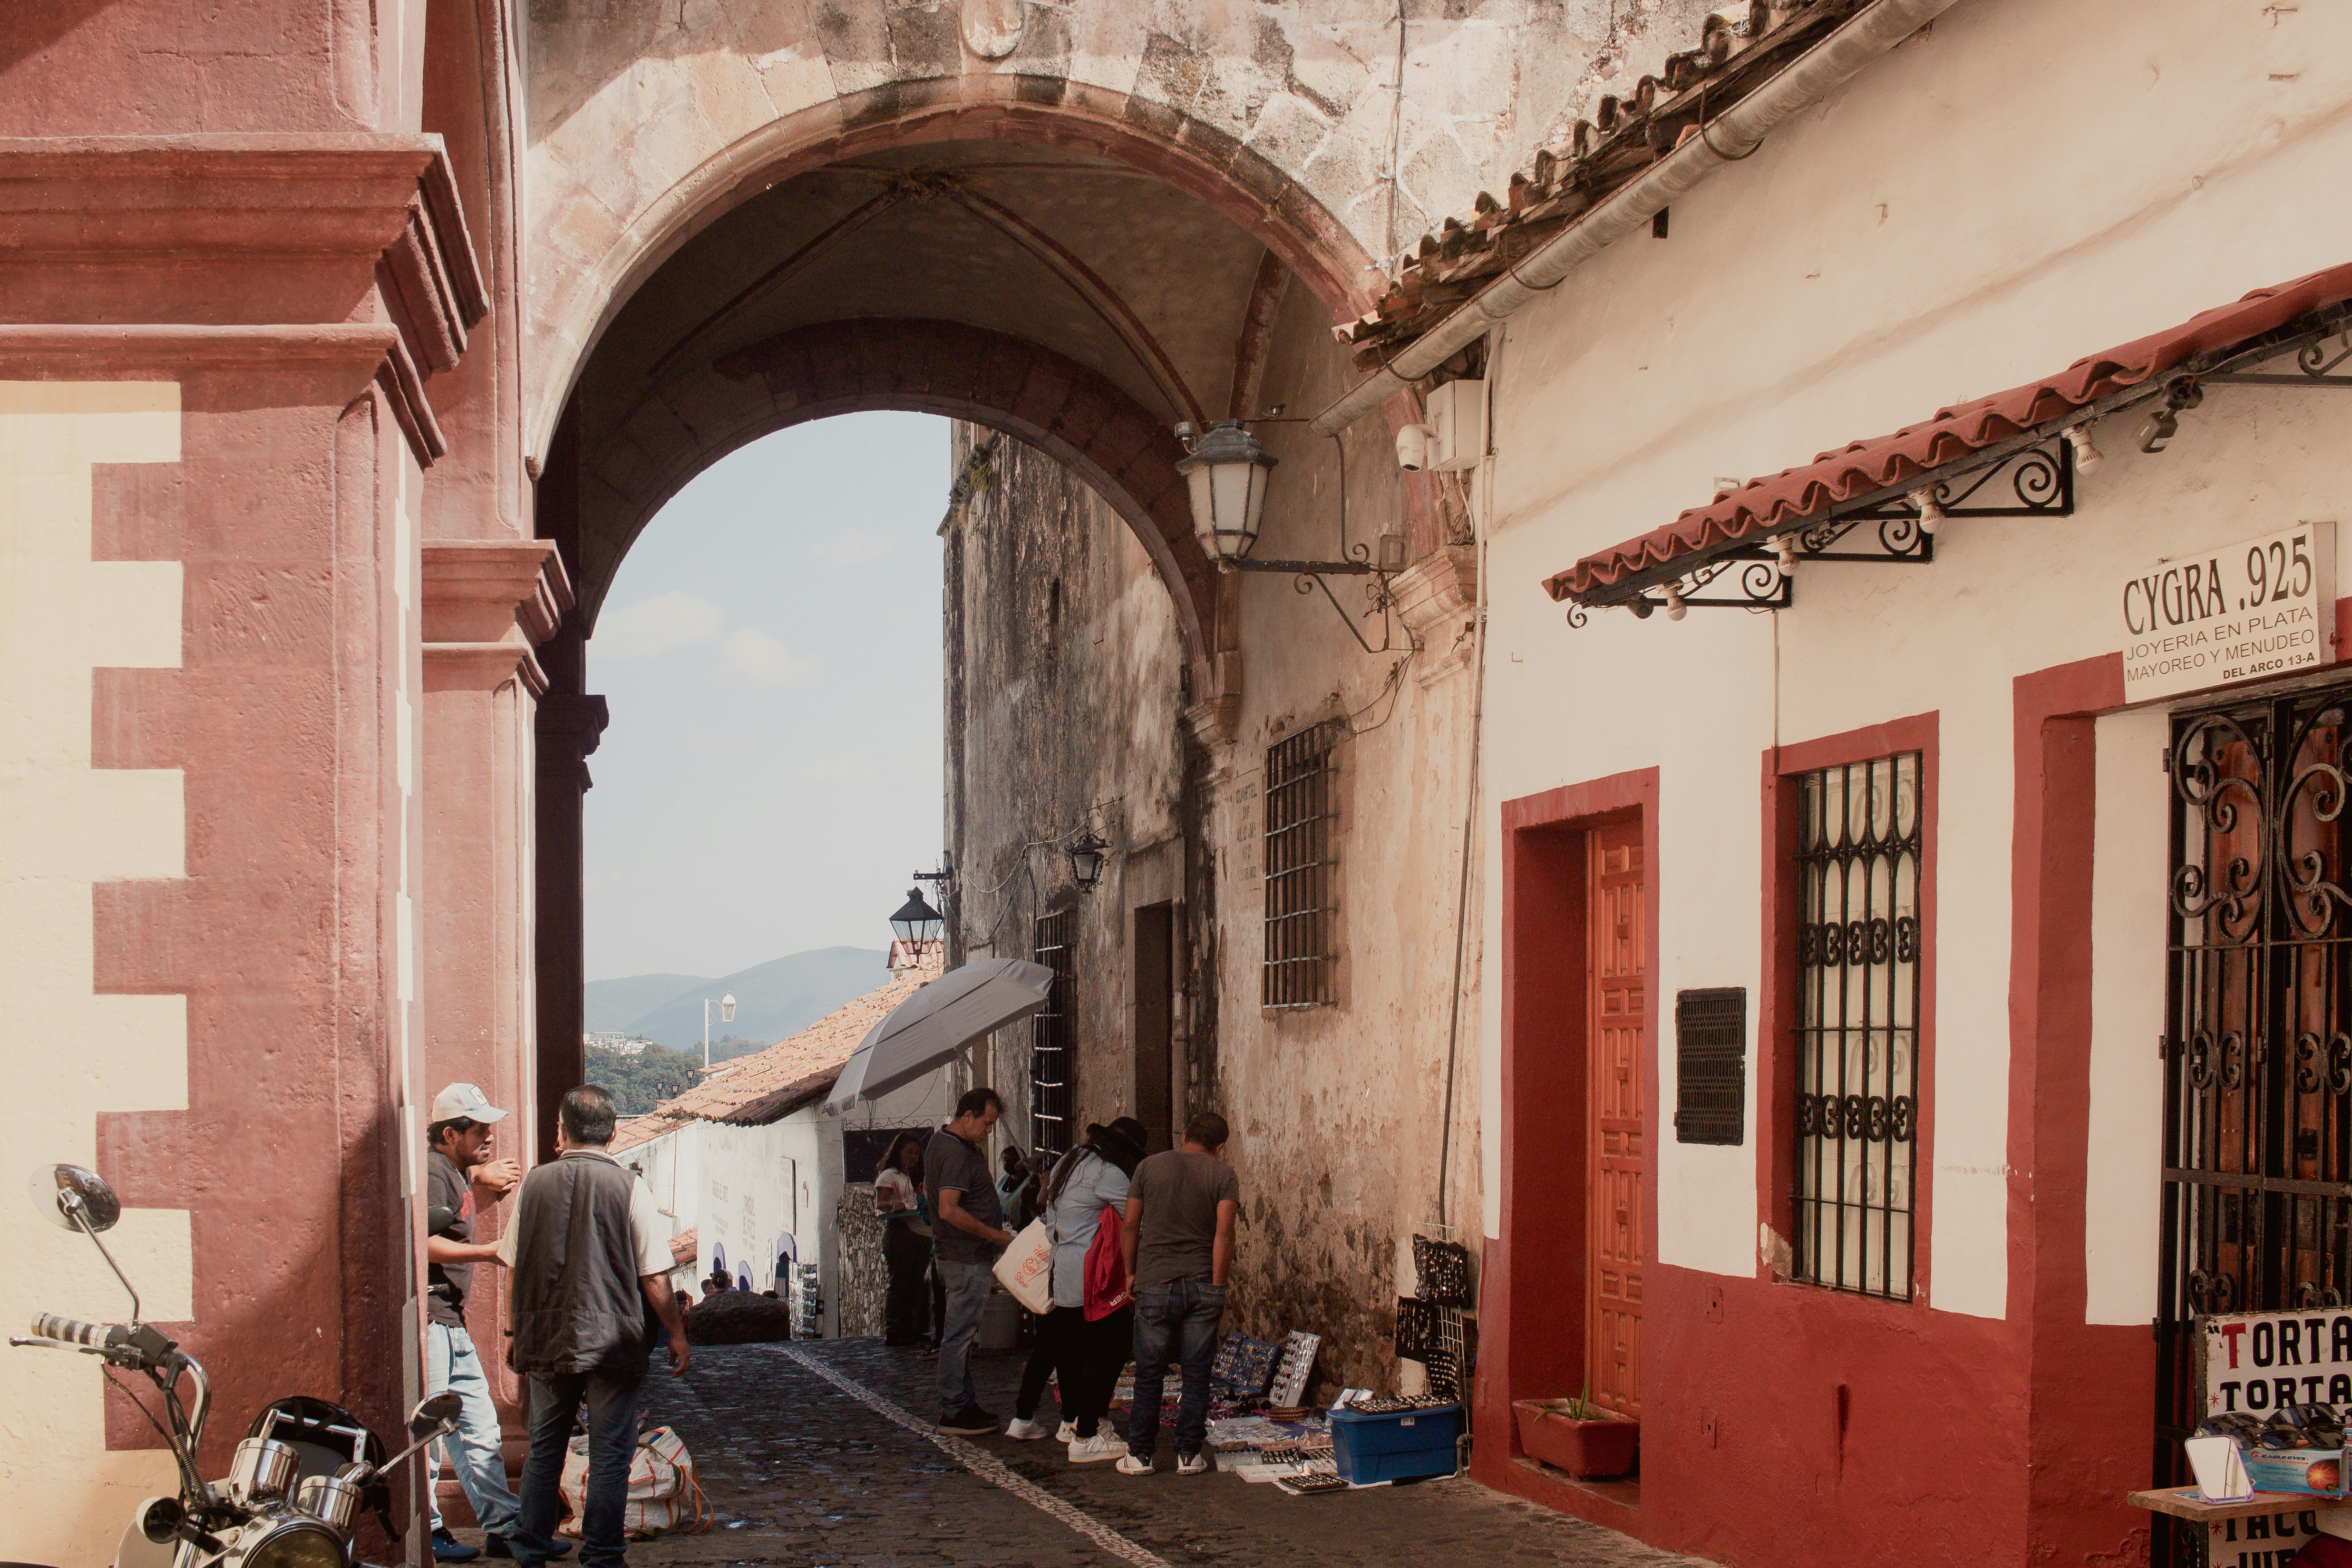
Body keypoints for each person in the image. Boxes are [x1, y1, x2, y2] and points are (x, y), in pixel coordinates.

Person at [500, 1086, 692, 1568]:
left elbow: (512, 1266)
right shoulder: (629, 1188)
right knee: (610, 1452)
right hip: (612, 1342)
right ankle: (603, 1555)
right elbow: (653, 1275)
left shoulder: (533, 1185)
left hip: (545, 1337)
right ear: (614, 1132)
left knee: (545, 1447)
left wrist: (512, 1331)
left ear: (561, 1132)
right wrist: (675, 1331)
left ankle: (530, 1548)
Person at [420, 1084, 544, 1564]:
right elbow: (423, 1241)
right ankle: (430, 1529)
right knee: (431, 1433)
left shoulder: (453, 1172)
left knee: (480, 1428)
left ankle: (503, 1527)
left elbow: (454, 1221)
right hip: (434, 1321)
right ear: (450, 1133)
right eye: (479, 1131)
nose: (489, 1138)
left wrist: (480, 1186)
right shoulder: (435, 1173)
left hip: (451, 1323)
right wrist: (488, 1253)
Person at [1004, 1119, 1146, 1463]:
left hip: (1062, 1268)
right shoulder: (1107, 1173)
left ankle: (1075, 1422)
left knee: (1070, 1351)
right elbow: (1136, 1218)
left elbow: (1045, 1205)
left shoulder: (1070, 1161)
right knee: (1108, 1347)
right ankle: (1088, 1432)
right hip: (1090, 1273)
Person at [1117, 1111, 1239, 1477]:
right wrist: (1217, 1284)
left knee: (1150, 1371)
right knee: (1197, 1372)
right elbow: (1225, 1234)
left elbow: (1130, 1225)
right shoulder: (1223, 1175)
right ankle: (1189, 1453)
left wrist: (1130, 1273)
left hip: (1154, 1279)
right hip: (1202, 1281)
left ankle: (1140, 1454)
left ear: (1184, 1134)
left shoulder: (1148, 1168)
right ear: (1219, 1147)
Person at [925, 1087, 1013, 1434]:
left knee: (961, 1334)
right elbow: (948, 1209)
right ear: (967, 1116)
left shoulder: (943, 1143)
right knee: (959, 1336)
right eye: (987, 1124)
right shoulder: (955, 1153)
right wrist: (995, 1236)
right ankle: (954, 1408)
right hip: (965, 1258)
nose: (988, 1132)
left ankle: (964, 1401)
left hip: (960, 1256)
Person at [874, 1132, 932, 1347]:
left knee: (915, 1284)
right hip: (900, 1233)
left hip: (920, 1234)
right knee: (899, 1283)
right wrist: (892, 1205)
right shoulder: (889, 1176)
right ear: (899, 1152)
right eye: (909, 1152)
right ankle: (894, 1330)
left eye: (917, 1153)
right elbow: (881, 1204)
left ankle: (910, 1328)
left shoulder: (914, 1175)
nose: (914, 1157)